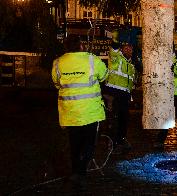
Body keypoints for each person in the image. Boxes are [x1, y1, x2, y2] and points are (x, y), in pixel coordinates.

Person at [51, 35, 108, 186]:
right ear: (81, 46)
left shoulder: (58, 63)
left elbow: (57, 83)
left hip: (70, 113)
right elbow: (104, 76)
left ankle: (76, 171)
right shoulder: (92, 60)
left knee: (74, 143)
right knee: (89, 143)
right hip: (90, 112)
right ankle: (81, 172)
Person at [104, 41, 136, 154]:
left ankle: (121, 139)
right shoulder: (116, 58)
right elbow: (113, 51)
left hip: (125, 95)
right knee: (114, 120)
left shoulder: (131, 65)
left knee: (124, 119)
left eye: (130, 49)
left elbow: (130, 82)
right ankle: (112, 144)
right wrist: (115, 43)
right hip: (114, 93)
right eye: (126, 48)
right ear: (121, 50)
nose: (129, 51)